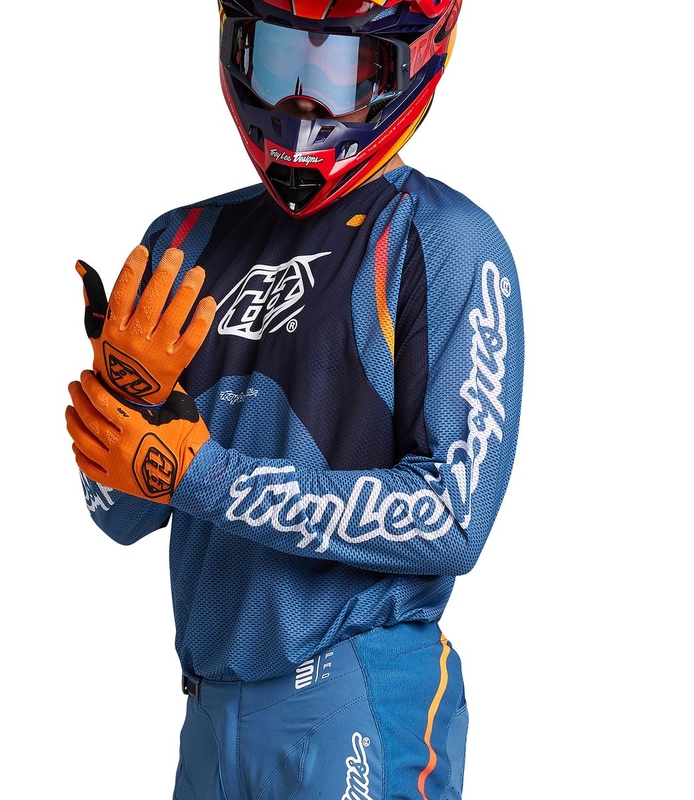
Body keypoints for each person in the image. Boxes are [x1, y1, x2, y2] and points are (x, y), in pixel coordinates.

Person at [65, 1, 524, 798]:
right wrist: (125, 407)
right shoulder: (183, 244)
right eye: (279, 60)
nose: (303, 99)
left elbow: (453, 520)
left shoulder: (443, 240)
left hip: (357, 696)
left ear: (405, 63)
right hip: (208, 713)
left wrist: (202, 476)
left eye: (340, 69)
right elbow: (119, 516)